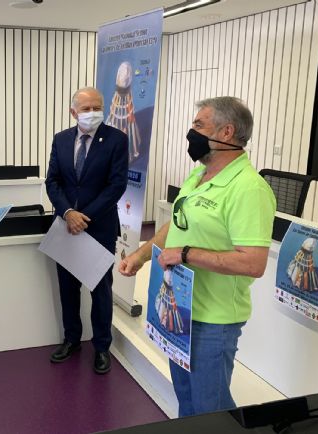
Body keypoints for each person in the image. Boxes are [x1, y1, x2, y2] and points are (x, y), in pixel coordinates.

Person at [119, 96, 276, 416]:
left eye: (199, 125)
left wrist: (188, 254)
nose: (192, 132)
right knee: (187, 397)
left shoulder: (249, 189)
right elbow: (175, 227)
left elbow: (253, 262)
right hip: (181, 310)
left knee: (210, 408)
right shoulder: (199, 175)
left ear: (227, 132)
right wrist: (141, 255)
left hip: (214, 319)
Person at [45, 87, 129, 374]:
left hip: (100, 226)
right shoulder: (61, 139)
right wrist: (68, 213)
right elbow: (52, 182)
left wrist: (84, 217)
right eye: (86, 108)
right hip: (66, 227)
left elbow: (116, 185)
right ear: (73, 112)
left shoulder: (117, 139)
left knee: (100, 290)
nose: (93, 112)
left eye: (97, 106)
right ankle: (72, 340)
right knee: (68, 289)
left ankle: (102, 346)